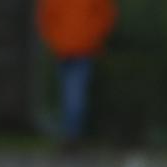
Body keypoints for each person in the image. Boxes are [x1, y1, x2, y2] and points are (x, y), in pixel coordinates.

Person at [37, 0, 116, 145]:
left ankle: (69, 133)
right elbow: (105, 15)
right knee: (76, 91)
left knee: (68, 90)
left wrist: (52, 38)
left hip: (63, 45)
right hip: (83, 45)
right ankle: (72, 134)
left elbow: (46, 16)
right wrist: (95, 36)